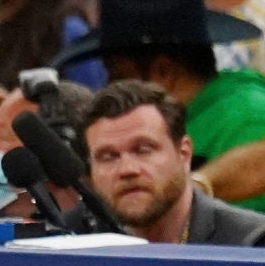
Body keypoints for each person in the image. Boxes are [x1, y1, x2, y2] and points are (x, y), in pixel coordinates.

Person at [53, 0, 265, 211]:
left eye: (117, 75)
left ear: (163, 71)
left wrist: (196, 186)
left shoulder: (247, 117)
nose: (108, 87)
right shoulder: (180, 114)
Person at [81, 78, 265, 245]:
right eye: (108, 157)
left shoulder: (250, 243)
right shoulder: (73, 242)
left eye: (143, 150)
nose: (127, 169)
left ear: (184, 152)